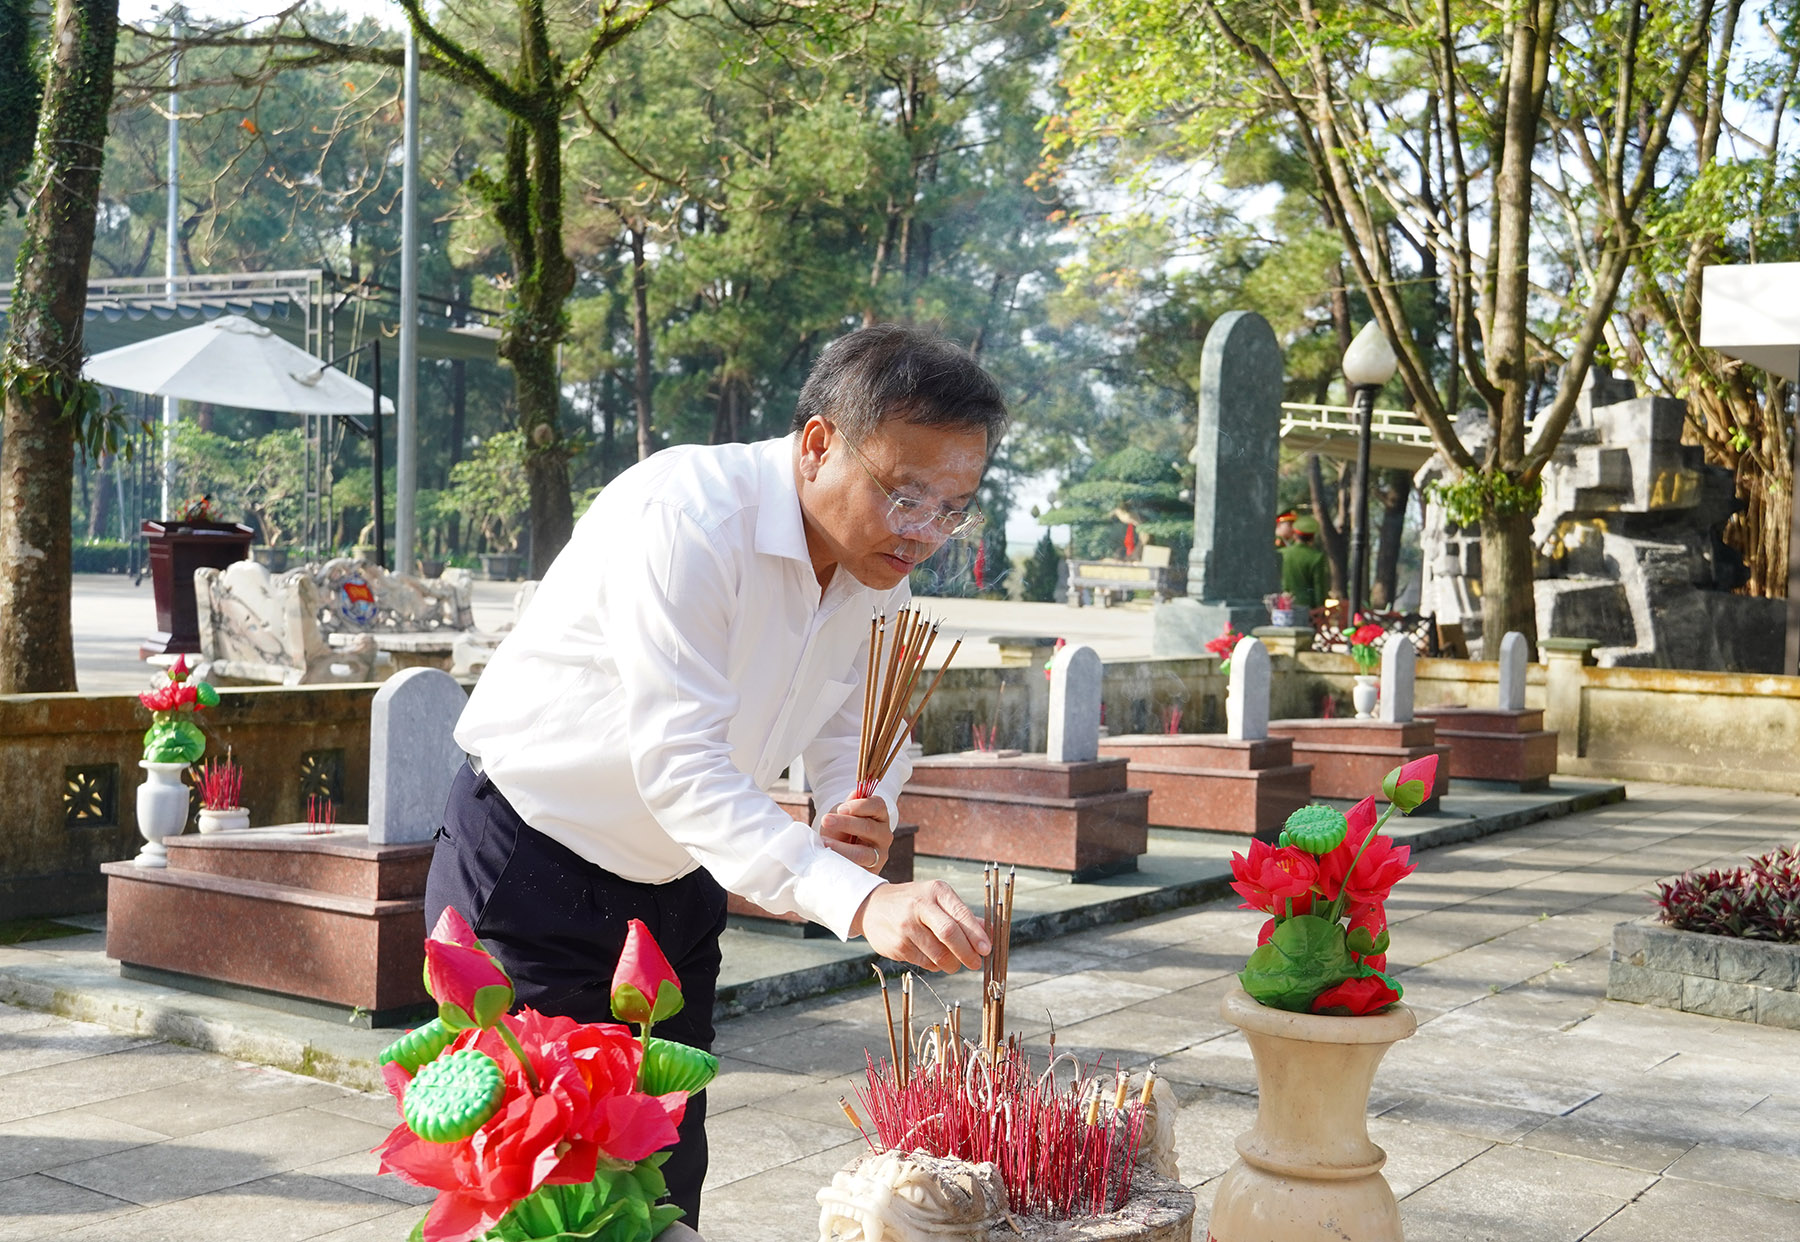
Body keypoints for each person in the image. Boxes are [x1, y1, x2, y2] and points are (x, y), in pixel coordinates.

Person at [429, 324, 1001, 1226]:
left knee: (662, 1177)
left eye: (952, 508)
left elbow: (859, 715)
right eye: (905, 495)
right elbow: (681, 765)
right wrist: (860, 902)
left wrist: (860, 804)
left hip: (679, 881)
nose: (923, 533)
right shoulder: (688, 517)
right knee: (540, 1196)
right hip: (537, 865)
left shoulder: (872, 567)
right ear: (818, 443)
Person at [1280, 513, 1332, 608]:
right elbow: (1319, 589)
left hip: (1282, 606)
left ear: (1295, 535)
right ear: (1313, 537)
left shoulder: (1282, 553)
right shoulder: (1316, 557)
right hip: (1307, 609)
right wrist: (1320, 608)